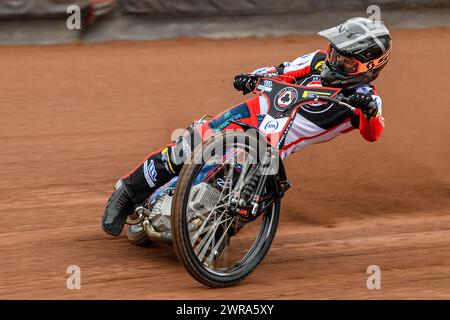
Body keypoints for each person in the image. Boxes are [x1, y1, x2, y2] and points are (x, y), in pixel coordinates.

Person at [102, 17, 392, 236]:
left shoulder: (366, 99)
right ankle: (127, 191)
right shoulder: (317, 61)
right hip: (253, 112)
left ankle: (209, 238)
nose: (334, 61)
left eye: (345, 61)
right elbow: (281, 70)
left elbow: (373, 132)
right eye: (334, 53)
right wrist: (253, 77)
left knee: (246, 197)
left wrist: (366, 110)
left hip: (273, 146)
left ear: (369, 66)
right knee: (190, 144)